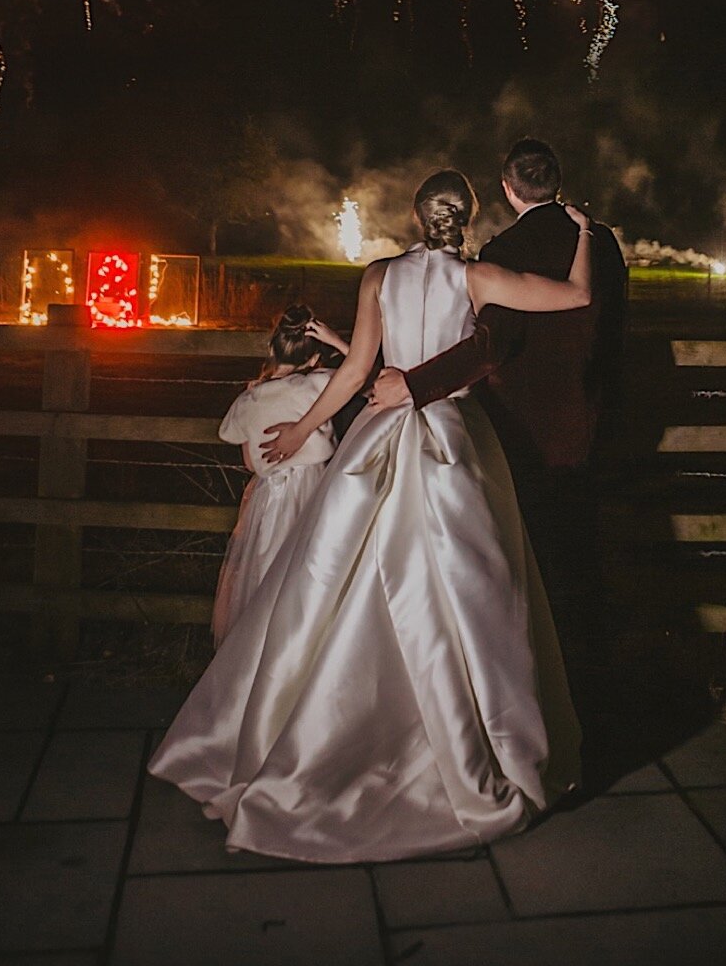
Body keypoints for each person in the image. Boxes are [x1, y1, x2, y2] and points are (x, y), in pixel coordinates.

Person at [147, 171, 592, 864]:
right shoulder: (480, 278)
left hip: (381, 434)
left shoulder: (379, 275)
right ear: (465, 218)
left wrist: (299, 431)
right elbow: (577, 294)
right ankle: (460, 744)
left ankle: (310, 740)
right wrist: (587, 235)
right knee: (464, 590)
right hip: (448, 437)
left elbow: (355, 373)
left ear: (416, 217)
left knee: (337, 579)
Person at [366, 137, 627, 709]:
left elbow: (489, 347)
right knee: (584, 560)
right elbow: (608, 323)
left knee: (520, 570)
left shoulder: (501, 252)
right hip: (589, 419)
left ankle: (528, 696)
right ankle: (591, 694)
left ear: (508, 190)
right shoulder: (602, 240)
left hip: (521, 431)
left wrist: (412, 385)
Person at [207, 303, 350, 646]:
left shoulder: (249, 399)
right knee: (316, 573)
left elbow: (250, 464)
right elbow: (364, 375)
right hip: (317, 491)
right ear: (315, 359)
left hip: (269, 499)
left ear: (272, 349)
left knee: (265, 574)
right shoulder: (320, 384)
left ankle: (262, 652)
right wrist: (340, 343)